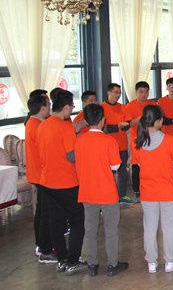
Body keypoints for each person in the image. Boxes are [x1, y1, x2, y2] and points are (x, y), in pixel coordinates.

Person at [74, 104, 128, 277]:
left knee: (90, 229)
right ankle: (112, 264)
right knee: (111, 229)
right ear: (103, 120)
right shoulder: (109, 141)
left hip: (87, 191)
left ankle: (92, 264)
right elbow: (116, 166)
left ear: (86, 121)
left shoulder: (79, 140)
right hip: (107, 192)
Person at [37, 89, 87, 275]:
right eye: (72, 107)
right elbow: (71, 156)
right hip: (65, 182)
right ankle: (73, 261)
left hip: (47, 182)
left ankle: (62, 259)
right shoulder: (66, 128)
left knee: (55, 221)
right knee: (77, 220)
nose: (72, 110)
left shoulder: (43, 125)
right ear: (65, 107)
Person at [132, 105, 173, 274]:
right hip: (168, 191)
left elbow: (139, 164)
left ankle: (151, 262)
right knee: (168, 227)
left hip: (148, 192)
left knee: (150, 227)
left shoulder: (138, 142)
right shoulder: (169, 140)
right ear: (159, 121)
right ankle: (170, 260)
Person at [25, 94, 55, 264]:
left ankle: (41, 245)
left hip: (38, 173)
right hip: (42, 174)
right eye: (48, 104)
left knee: (41, 211)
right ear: (42, 108)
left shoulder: (33, 122)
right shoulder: (38, 126)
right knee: (45, 213)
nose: (50, 106)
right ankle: (45, 251)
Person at [101, 83, 134, 205]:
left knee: (122, 172)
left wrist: (124, 126)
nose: (118, 95)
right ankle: (107, 197)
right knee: (107, 173)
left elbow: (128, 123)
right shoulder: (102, 108)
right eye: (115, 92)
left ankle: (121, 195)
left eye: (119, 93)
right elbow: (102, 128)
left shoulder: (122, 107)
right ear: (108, 93)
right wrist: (117, 126)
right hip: (107, 146)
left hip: (122, 145)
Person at [125, 81, 157, 201]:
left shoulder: (152, 104)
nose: (144, 94)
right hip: (136, 139)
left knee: (152, 165)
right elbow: (129, 124)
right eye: (141, 92)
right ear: (136, 92)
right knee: (136, 166)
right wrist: (142, 117)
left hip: (152, 138)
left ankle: (151, 187)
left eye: (146, 91)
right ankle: (137, 190)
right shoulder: (130, 106)